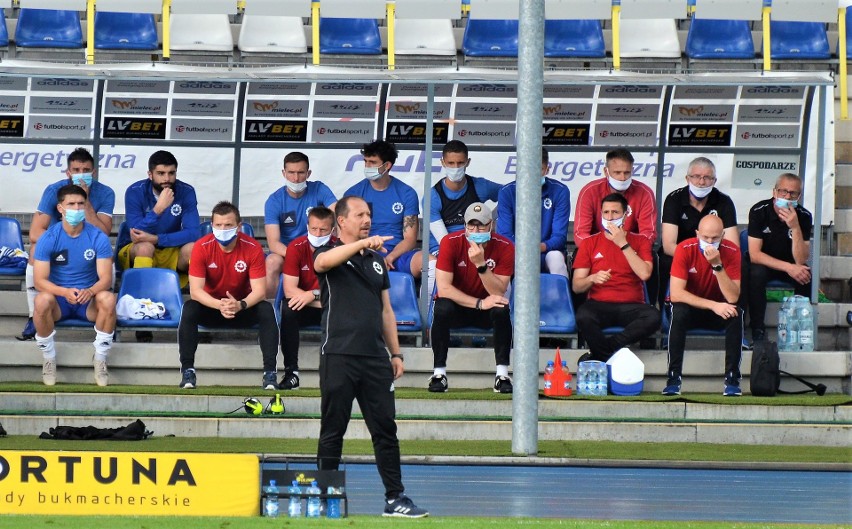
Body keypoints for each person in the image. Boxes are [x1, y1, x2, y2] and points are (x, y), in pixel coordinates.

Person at [313, 196, 428, 518]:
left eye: (369, 214)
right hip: (338, 354)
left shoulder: (377, 261)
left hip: (375, 359)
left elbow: (386, 310)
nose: (366, 219)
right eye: (360, 214)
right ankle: (326, 497)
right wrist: (362, 243)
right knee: (333, 429)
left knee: (385, 430)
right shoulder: (328, 252)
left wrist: (396, 353)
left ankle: (396, 498)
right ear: (342, 221)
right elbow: (323, 264)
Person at [177, 201, 278, 390]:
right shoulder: (201, 247)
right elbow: (195, 290)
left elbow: (260, 291)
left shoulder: (253, 247)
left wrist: (240, 305)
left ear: (239, 227)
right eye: (218, 225)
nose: (223, 229)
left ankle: (270, 373)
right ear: (212, 226)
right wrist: (220, 305)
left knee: (266, 309)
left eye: (228, 225)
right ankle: (187, 371)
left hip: (242, 308)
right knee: (189, 307)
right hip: (212, 308)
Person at [20, 147, 115, 341]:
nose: (81, 174)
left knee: (105, 254)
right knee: (36, 249)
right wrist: (60, 239)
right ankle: (33, 315)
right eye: (76, 170)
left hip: (89, 244)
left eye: (86, 170)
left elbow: (104, 233)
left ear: (93, 172)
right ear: (68, 172)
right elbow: (36, 232)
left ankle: (106, 316)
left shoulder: (105, 192)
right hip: (58, 246)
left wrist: (86, 201)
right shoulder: (55, 190)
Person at [32, 184, 116, 387]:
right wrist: (64, 291)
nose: (77, 209)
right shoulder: (49, 238)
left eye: (81, 204)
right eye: (71, 204)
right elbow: (39, 280)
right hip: (60, 302)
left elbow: (106, 278)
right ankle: (49, 358)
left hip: (88, 302)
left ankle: (100, 359)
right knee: (41, 300)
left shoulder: (98, 237)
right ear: (60, 208)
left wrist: (91, 291)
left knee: (108, 298)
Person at [429, 202, 515, 393]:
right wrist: (479, 303)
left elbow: (499, 291)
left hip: (488, 307)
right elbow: (443, 288)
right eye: (471, 225)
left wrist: (481, 265)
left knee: (502, 309)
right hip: (461, 307)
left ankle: (502, 375)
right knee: (441, 307)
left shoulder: (505, 246)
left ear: (491, 225)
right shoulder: (450, 242)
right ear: (465, 225)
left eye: (481, 225)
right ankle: (439, 374)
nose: (476, 230)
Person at [572, 193, 660, 363]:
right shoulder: (590, 243)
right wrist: (592, 278)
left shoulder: (640, 241)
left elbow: (644, 273)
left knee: (653, 317)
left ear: (626, 214)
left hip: (632, 305)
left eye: (615, 213)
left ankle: (603, 353)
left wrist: (623, 244)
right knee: (583, 316)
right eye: (606, 213)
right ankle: (609, 354)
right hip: (599, 305)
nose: (610, 218)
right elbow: (577, 285)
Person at [664, 215, 743, 396]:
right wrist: (713, 305)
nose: (709, 242)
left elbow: (732, 296)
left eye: (715, 238)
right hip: (693, 308)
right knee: (679, 312)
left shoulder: (732, 251)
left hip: (718, 309)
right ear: (697, 233)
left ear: (723, 235)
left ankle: (732, 379)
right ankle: (673, 378)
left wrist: (717, 266)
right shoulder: (685, 248)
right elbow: (676, 294)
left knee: (735, 313)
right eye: (705, 237)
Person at [344, 140, 431, 290]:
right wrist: (371, 255)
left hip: (397, 255)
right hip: (363, 254)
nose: (367, 166)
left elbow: (410, 239)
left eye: (372, 162)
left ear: (387, 165)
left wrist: (390, 258)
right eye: (366, 161)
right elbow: (346, 236)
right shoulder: (353, 194)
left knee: (429, 262)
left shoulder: (406, 193)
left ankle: (430, 311)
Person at [659, 157, 738, 307]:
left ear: (714, 181)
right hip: (682, 255)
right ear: (687, 178)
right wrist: (698, 260)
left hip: (716, 255)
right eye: (696, 177)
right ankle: (665, 311)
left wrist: (714, 259)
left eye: (707, 178)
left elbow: (733, 246)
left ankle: (735, 311)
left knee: (741, 267)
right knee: (664, 261)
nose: (701, 182)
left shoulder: (724, 201)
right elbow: (669, 246)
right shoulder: (674, 199)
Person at [745, 173, 813, 342]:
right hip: (765, 262)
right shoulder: (759, 211)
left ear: (799, 196)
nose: (787, 197)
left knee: (805, 275)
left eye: (793, 193)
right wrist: (789, 267)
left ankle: (799, 331)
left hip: (791, 263)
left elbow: (801, 259)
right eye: (783, 192)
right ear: (774, 192)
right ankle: (757, 329)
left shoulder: (804, 215)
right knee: (756, 273)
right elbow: (755, 254)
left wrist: (795, 227)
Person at [118, 149, 199, 283]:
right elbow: (136, 233)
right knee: (145, 247)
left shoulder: (186, 191)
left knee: (194, 249)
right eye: (161, 173)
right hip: (138, 248)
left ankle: (200, 299)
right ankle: (141, 296)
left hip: (172, 248)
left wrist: (157, 239)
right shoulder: (135, 191)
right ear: (150, 175)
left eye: (171, 173)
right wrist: (157, 210)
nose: (167, 179)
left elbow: (194, 233)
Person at [264, 151, 337, 298]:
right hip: (288, 252)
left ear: (308, 173)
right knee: (272, 261)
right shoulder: (274, 201)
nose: (296, 178)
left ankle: (336, 303)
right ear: (283, 173)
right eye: (291, 172)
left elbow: (338, 217)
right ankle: (271, 309)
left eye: (300, 173)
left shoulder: (319, 189)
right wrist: (297, 256)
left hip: (321, 249)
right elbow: (273, 243)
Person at [278, 206, 336, 390]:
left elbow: (340, 292)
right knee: (288, 308)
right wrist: (315, 297)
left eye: (323, 230)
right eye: (313, 229)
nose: (317, 233)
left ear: (332, 230)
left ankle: (335, 375)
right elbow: (289, 290)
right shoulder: (296, 247)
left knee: (346, 310)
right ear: (307, 226)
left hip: (332, 306)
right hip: (308, 307)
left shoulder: (339, 248)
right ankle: (291, 372)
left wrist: (311, 293)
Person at [496, 147, 570, 277]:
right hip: (516, 251)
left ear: (547, 169)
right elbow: (504, 235)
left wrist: (539, 247)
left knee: (556, 259)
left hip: (547, 250)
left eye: (539, 169)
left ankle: (560, 297)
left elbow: (559, 236)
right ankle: (502, 298)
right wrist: (524, 249)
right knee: (503, 262)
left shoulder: (560, 191)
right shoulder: (507, 192)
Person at [427, 140, 502, 256]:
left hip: (478, 245)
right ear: (443, 162)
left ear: (468, 162)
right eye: (450, 163)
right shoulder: (432, 197)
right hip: (442, 249)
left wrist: (492, 220)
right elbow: (444, 241)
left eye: (460, 163)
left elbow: (511, 195)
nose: (455, 168)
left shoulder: (481, 186)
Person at [573, 148, 657, 246]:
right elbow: (580, 233)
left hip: (632, 249)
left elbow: (649, 234)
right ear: (606, 171)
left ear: (632, 170)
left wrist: (626, 248)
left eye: (626, 172)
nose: (622, 178)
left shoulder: (645, 193)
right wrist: (603, 250)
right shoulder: (589, 191)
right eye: (617, 172)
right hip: (595, 249)